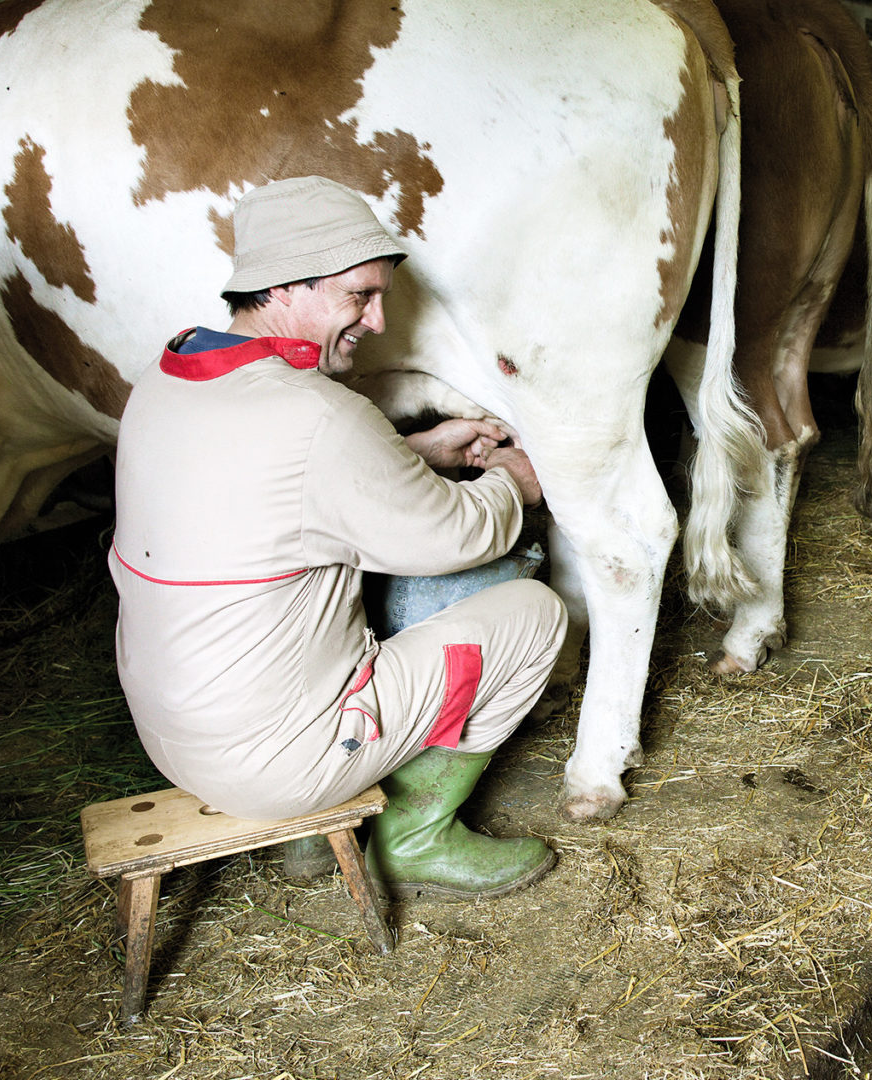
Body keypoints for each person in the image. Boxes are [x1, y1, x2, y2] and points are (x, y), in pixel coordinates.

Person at [110, 176, 569, 900]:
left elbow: (280, 490)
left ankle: (308, 840)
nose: (378, 321)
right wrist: (511, 481)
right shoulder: (317, 412)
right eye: (360, 296)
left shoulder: (168, 379)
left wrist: (423, 452)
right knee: (534, 614)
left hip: (175, 741)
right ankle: (414, 836)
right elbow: (455, 536)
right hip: (279, 763)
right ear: (284, 287)